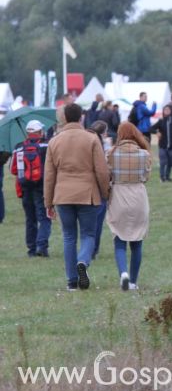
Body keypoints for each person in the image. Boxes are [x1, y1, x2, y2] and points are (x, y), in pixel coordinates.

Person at [44, 103, 111, 291]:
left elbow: (49, 176)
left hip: (63, 194)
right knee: (88, 234)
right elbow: (102, 171)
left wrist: (48, 202)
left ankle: (71, 281)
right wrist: (106, 193)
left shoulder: (55, 141)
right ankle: (83, 261)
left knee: (68, 237)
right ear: (81, 117)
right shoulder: (91, 139)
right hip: (87, 194)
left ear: (64, 117)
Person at [106, 122, 152, 291]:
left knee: (119, 238)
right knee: (137, 240)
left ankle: (123, 273)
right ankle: (133, 281)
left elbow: (107, 175)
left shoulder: (111, 153)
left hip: (119, 195)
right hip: (139, 196)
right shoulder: (144, 154)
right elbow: (146, 176)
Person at [10, 120, 51, 257]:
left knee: (30, 219)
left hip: (25, 187)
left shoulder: (19, 147)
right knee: (44, 218)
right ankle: (42, 246)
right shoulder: (46, 145)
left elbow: (13, 169)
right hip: (42, 187)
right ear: (39, 131)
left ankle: (31, 249)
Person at [87, 121, 110, 260]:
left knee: (86, 221)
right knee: (97, 221)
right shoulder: (102, 147)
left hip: (84, 187)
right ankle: (93, 248)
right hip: (98, 188)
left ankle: (88, 247)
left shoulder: (84, 142)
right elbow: (104, 171)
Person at [150, 105, 172, 182]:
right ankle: (162, 177)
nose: (166, 111)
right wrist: (157, 132)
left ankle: (167, 176)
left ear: (170, 111)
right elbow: (151, 128)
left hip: (171, 147)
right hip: (162, 146)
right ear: (163, 111)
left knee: (170, 163)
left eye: (168, 110)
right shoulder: (161, 121)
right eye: (165, 110)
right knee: (163, 162)